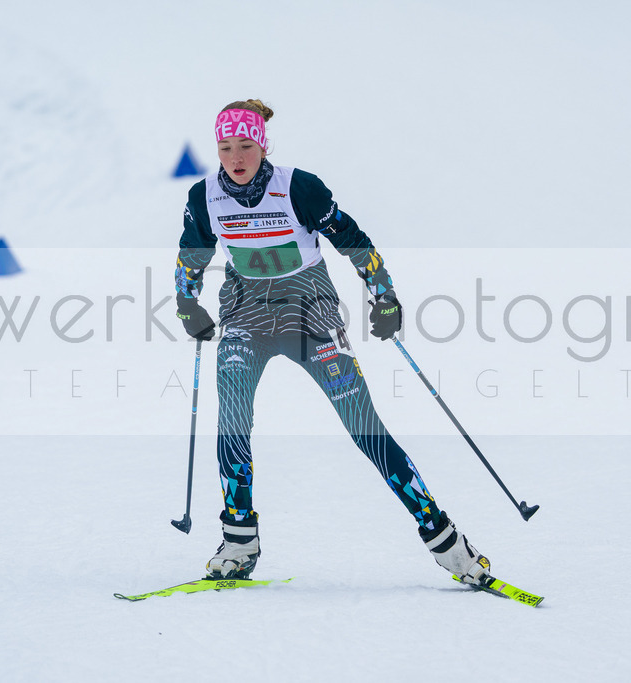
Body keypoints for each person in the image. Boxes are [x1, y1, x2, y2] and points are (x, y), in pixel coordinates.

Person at [174, 99, 490, 585]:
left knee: (363, 425)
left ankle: (447, 542)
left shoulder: (298, 187)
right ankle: (239, 541)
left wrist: (384, 297)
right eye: (224, 147)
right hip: (245, 314)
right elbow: (191, 254)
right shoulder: (205, 196)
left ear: (262, 145)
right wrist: (188, 302)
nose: (235, 157)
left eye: (245, 145)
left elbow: (351, 238)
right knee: (233, 416)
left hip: (311, 313)